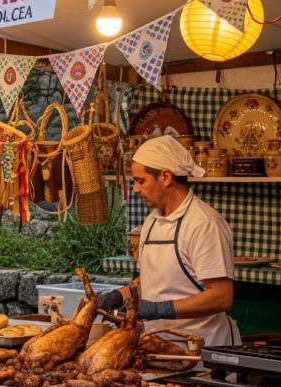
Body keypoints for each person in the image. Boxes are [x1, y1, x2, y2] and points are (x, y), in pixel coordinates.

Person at [98, 135, 240, 347]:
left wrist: (160, 309)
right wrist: (117, 296)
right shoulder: (152, 221)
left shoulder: (204, 224)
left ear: (165, 177)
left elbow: (221, 297)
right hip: (158, 344)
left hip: (202, 347)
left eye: (140, 181)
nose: (136, 189)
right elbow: (154, 280)